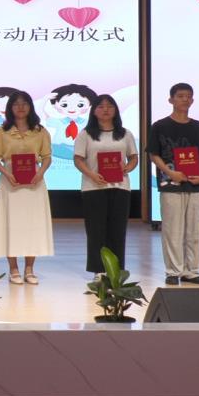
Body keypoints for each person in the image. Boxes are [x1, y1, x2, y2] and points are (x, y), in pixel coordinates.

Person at [148, 83, 199, 286]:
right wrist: (170, 173)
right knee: (172, 229)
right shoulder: (159, 126)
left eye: (188, 96)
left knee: (194, 230)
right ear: (171, 100)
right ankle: (173, 271)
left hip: (195, 185)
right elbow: (153, 155)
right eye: (180, 96)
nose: (185, 99)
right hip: (170, 184)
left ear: (192, 100)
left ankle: (191, 271)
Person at [0, 91, 53, 284]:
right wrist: (6, 173)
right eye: (16, 104)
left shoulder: (40, 131)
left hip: (34, 182)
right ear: (10, 108)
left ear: (30, 106)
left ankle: (30, 269)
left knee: (33, 224)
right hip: (10, 182)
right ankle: (14, 269)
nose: (21, 107)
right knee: (11, 224)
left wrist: (41, 173)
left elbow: (47, 156)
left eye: (24, 103)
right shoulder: (1, 131)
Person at [72, 94, 139, 279]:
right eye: (101, 106)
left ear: (115, 110)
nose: (106, 110)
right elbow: (78, 159)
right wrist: (92, 174)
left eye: (109, 106)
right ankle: (99, 270)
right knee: (96, 231)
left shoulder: (125, 134)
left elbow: (134, 157)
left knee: (118, 230)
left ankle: (116, 270)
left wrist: (128, 167)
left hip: (120, 187)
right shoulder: (86, 134)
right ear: (94, 111)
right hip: (93, 187)